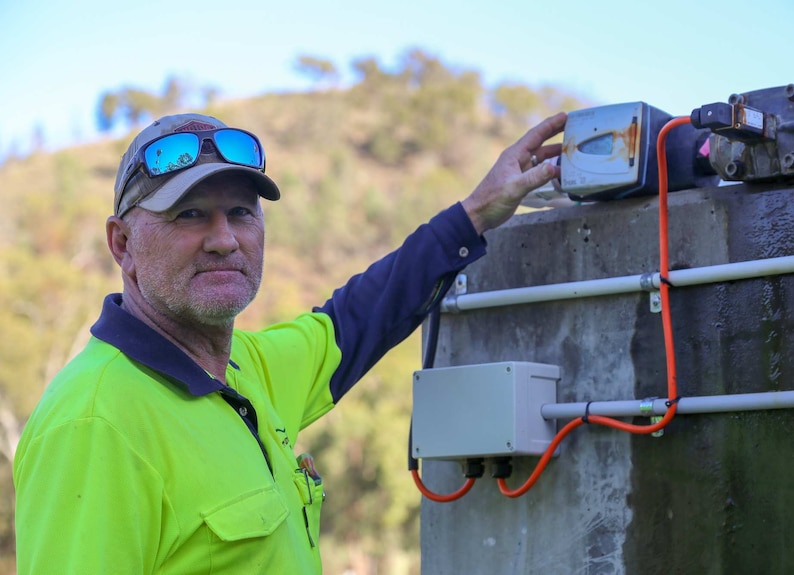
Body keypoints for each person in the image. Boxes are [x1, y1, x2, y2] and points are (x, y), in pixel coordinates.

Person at [13, 110, 566, 574]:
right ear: (123, 243)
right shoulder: (95, 423)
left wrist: (475, 214)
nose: (224, 239)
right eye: (190, 215)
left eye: (240, 213)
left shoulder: (244, 369)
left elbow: (359, 316)